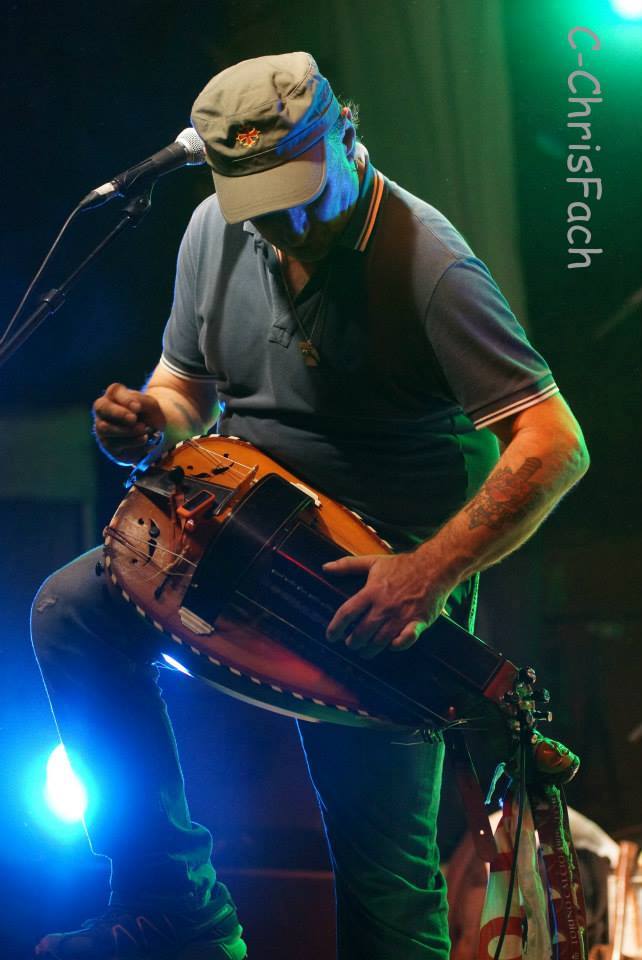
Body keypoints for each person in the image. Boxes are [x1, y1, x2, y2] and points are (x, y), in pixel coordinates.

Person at [31, 52, 589, 960]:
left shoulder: (430, 263)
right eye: (260, 203)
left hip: (376, 567)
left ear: (345, 134)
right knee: (72, 614)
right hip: (239, 524)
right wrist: (150, 418)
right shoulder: (214, 231)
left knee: (383, 872)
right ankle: (173, 910)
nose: (285, 224)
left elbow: (555, 442)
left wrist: (426, 574)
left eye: (299, 191)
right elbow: (186, 389)